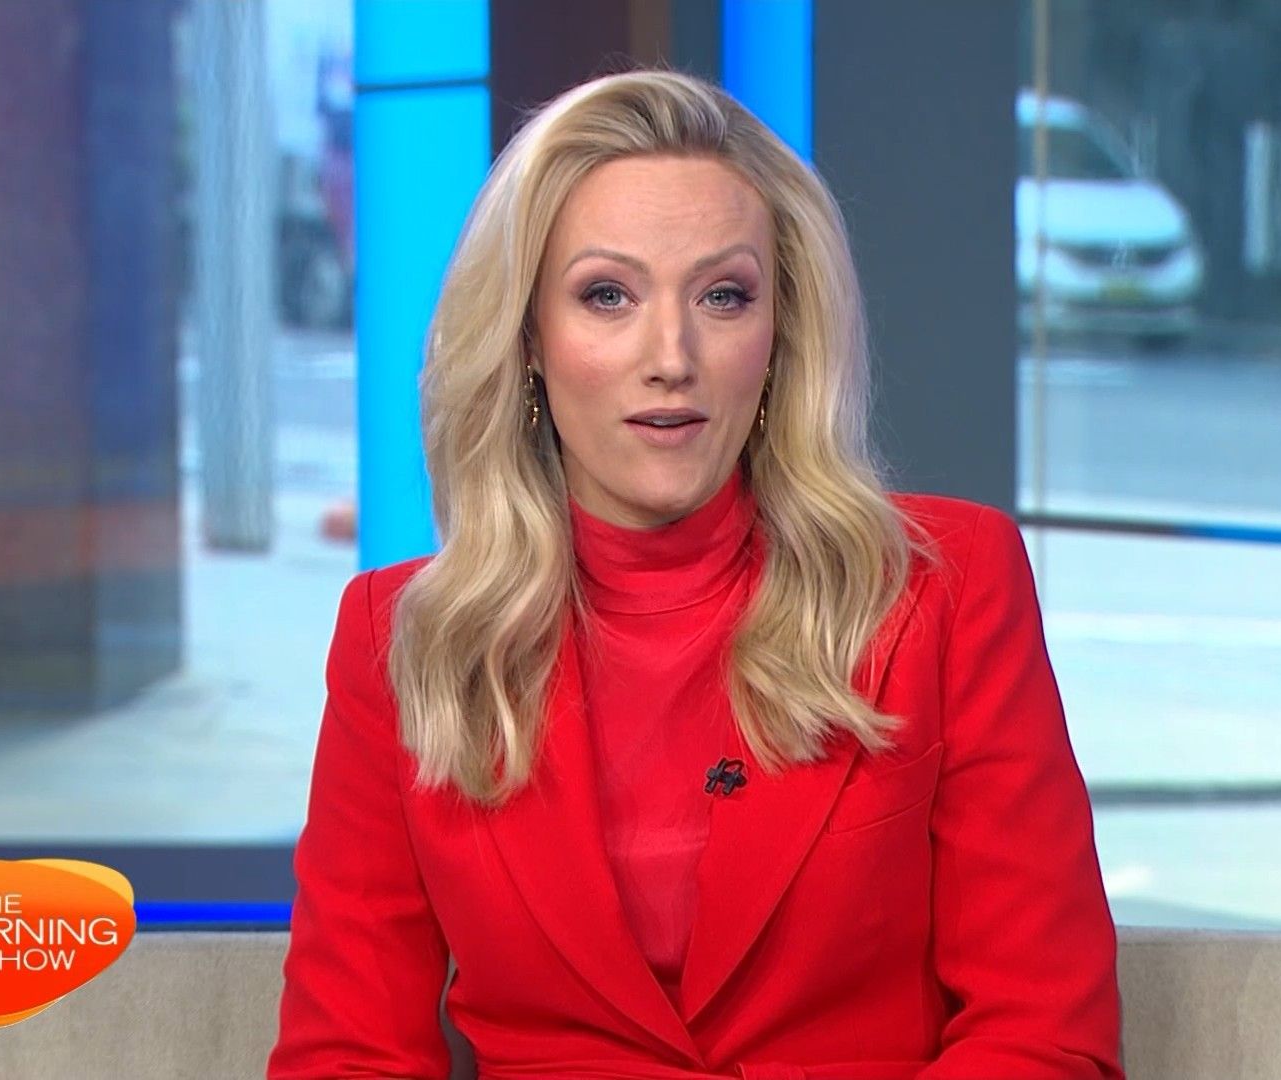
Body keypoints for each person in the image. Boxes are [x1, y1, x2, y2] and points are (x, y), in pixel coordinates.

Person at [268, 67, 1122, 1080]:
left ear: (780, 336)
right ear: (529, 340)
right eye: (608, 295)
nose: (671, 355)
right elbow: (349, 1055)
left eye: (723, 296)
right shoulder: (401, 642)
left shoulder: (945, 589)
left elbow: (1043, 1033)